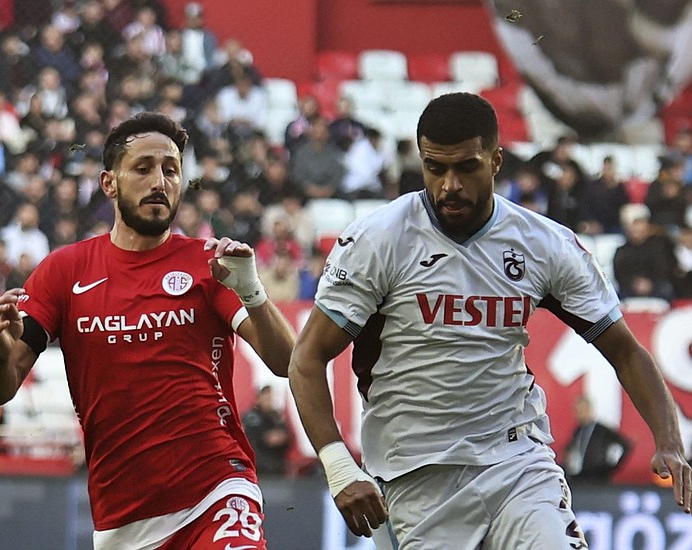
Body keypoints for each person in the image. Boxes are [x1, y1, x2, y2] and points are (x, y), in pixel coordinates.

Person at [288, 93, 692, 549]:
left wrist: (668, 439)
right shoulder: (378, 240)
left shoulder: (544, 244)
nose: (449, 185)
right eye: (435, 168)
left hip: (516, 460)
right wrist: (339, 466)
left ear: (496, 160)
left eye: (466, 167)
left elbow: (625, 350)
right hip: (414, 475)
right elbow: (307, 358)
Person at [0, 113, 297, 549]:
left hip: (217, 491)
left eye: (171, 170)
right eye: (143, 168)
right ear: (109, 183)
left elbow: (288, 362)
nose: (160, 182)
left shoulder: (209, 265)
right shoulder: (64, 271)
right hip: (123, 521)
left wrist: (252, 290)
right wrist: (0, 354)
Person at [563, 395, 631, 483]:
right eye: (576, 411)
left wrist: (610, 467)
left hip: (597, 479)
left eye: (580, 410)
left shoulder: (602, 430)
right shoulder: (578, 430)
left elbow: (625, 445)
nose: (577, 414)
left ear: (588, 409)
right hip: (579, 478)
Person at [242, 385, 292, 476]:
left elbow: (286, 437)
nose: (269, 402)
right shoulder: (251, 416)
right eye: (266, 398)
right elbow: (254, 438)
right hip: (257, 467)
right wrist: (267, 437)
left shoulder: (277, 417)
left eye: (271, 399)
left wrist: (281, 438)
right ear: (259, 398)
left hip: (277, 467)